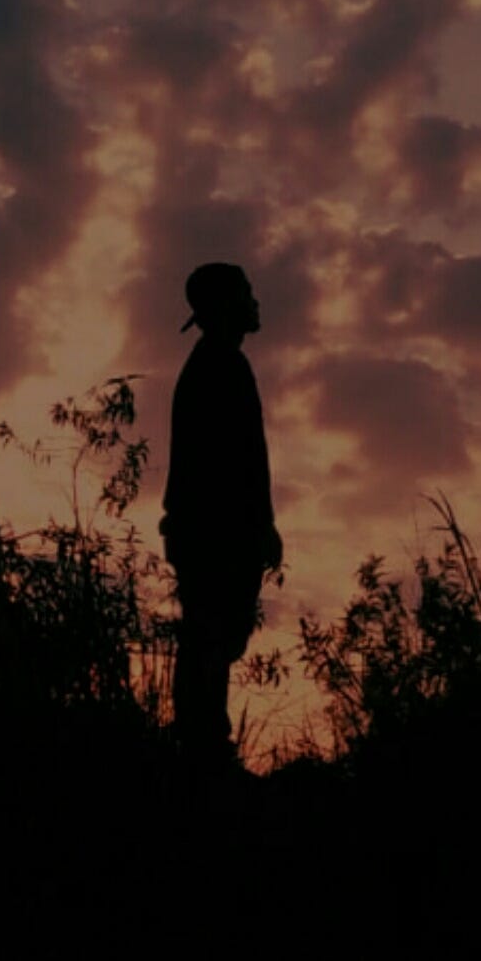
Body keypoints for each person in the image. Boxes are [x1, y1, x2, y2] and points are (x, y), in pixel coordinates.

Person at [160, 262, 282, 760]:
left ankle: (203, 740)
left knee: (212, 636)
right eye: (247, 293)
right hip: (216, 533)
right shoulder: (221, 366)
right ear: (229, 305)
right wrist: (259, 527)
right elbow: (235, 464)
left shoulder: (216, 363)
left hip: (209, 531)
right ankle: (203, 743)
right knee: (211, 635)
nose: (256, 302)